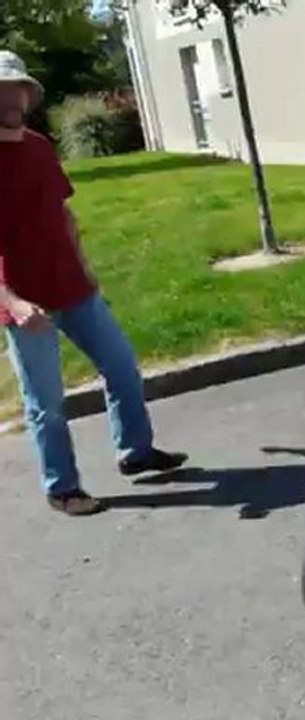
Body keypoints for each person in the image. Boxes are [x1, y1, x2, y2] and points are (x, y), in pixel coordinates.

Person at [0, 50, 186, 517]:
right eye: (3, 88)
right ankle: (62, 487)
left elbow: (64, 213)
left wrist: (85, 269)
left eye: (17, 87)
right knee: (46, 403)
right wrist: (15, 303)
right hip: (27, 304)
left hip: (74, 287)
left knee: (122, 368)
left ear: (28, 94)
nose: (12, 96)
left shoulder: (40, 147)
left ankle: (136, 452)